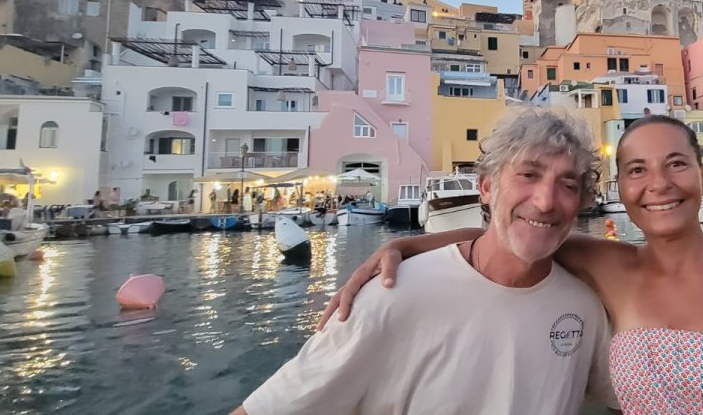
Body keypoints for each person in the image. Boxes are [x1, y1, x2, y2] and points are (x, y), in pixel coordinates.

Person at [324, 115, 703, 414]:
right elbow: (513, 233)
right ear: (619, 189)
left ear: (701, 174)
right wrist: (407, 248)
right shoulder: (606, 265)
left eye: (676, 163)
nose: (659, 184)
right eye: (637, 171)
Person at [234, 109, 614, 414]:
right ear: (485, 187)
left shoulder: (585, 308)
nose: (546, 201)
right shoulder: (390, 295)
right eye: (528, 174)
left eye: (567, 185)